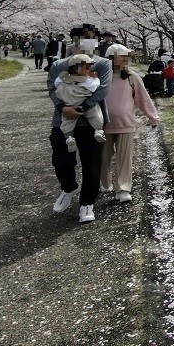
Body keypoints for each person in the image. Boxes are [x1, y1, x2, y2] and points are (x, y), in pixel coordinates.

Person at [47, 25, 111, 224]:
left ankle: (87, 204)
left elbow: (102, 90)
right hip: (63, 119)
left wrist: (82, 107)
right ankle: (68, 187)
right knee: (61, 160)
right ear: (74, 40)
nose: (88, 42)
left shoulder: (102, 64)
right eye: (84, 38)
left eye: (92, 38)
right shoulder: (59, 65)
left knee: (91, 164)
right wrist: (62, 108)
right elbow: (51, 87)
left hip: (91, 122)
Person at [101, 44, 159, 203]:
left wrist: (152, 117)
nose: (125, 60)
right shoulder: (101, 76)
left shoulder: (132, 77)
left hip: (126, 123)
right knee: (102, 157)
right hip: (103, 125)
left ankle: (123, 188)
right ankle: (105, 183)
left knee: (124, 158)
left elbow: (143, 98)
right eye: (122, 57)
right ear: (112, 58)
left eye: (126, 57)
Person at [53, 53, 108, 151]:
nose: (89, 70)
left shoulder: (66, 79)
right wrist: (95, 78)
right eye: (87, 67)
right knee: (96, 114)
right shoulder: (86, 80)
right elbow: (95, 87)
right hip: (85, 104)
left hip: (69, 105)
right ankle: (98, 130)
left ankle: (69, 138)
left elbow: (56, 84)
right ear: (78, 68)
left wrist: (62, 77)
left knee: (67, 122)